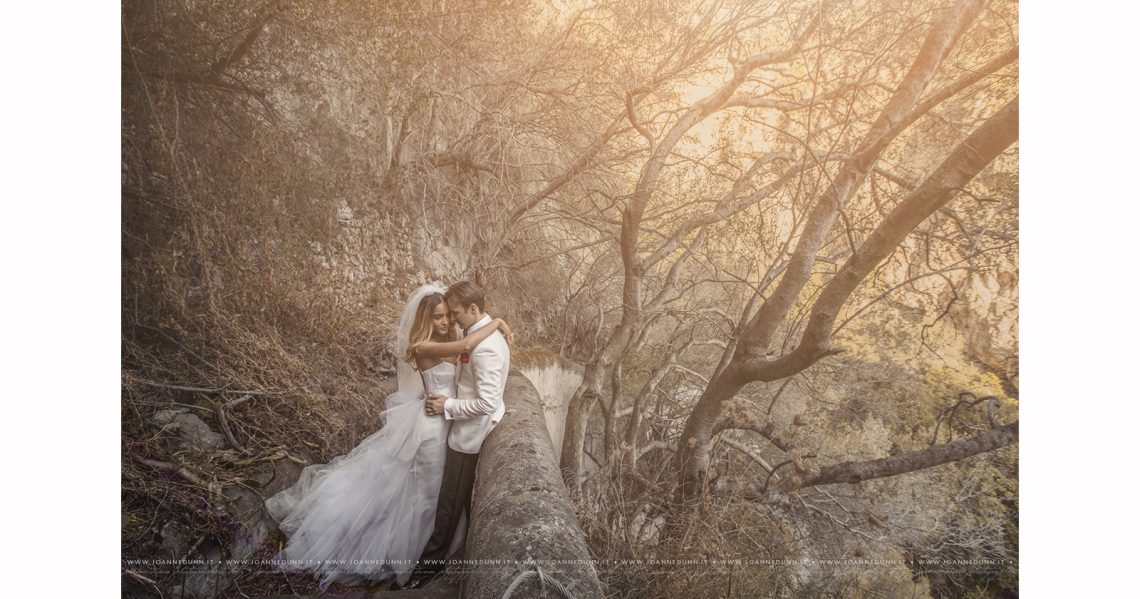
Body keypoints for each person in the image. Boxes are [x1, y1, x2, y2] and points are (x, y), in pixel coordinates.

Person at [264, 283, 511, 590]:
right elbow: (465, 348)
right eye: (437, 317)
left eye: (448, 315)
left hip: (451, 420)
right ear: (424, 319)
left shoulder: (455, 338)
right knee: (427, 493)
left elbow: (469, 358)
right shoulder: (423, 347)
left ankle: (431, 553)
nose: (445, 322)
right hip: (433, 426)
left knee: (437, 494)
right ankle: (407, 557)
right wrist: (497, 323)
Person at [403, 280, 511, 590]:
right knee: (447, 501)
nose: (452, 321)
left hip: (466, 434)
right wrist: (498, 322)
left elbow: (487, 401)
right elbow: (462, 349)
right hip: (446, 427)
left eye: (454, 313)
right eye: (443, 315)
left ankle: (430, 568)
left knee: (450, 503)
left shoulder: (486, 347)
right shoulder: (471, 336)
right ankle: (435, 563)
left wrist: (449, 404)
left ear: (473, 310)